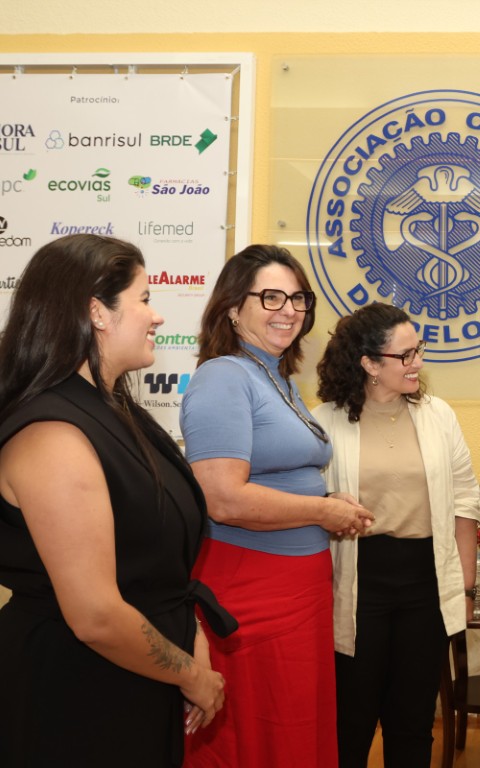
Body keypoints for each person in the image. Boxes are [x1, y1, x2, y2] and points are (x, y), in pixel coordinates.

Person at [0, 234, 231, 766]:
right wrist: (192, 676)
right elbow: (96, 616)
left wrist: (189, 632)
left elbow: (154, 568)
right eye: (144, 299)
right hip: (75, 697)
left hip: (131, 680)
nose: (157, 316)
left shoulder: (111, 408)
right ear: (96, 313)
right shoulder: (54, 436)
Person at [181, 244, 373, 767]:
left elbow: (277, 477)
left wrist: (325, 499)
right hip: (252, 588)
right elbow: (222, 498)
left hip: (300, 585)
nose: (289, 310)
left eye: (298, 298)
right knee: (261, 733)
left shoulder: (278, 378)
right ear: (232, 308)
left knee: (297, 728)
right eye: (271, 297)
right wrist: (320, 512)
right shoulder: (223, 376)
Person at [312, 302, 480, 767]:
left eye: (417, 350)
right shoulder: (324, 422)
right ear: (369, 363)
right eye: (405, 355)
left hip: (426, 583)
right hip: (357, 583)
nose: (417, 363)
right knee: (352, 720)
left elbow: (465, 501)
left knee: (413, 721)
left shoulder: (438, 415)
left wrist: (466, 588)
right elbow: (309, 505)